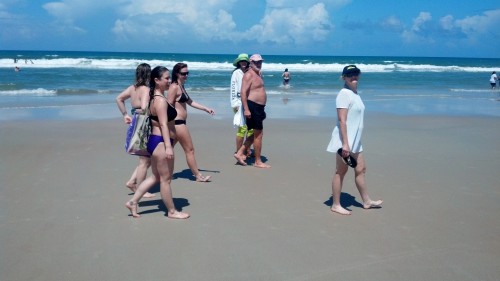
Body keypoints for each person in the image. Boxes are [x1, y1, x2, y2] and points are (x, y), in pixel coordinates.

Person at [125, 66, 189, 219]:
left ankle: (133, 202)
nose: (169, 80)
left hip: (155, 142)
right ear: (156, 80)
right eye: (166, 78)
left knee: (155, 177)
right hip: (160, 143)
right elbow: (163, 125)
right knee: (166, 180)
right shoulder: (160, 101)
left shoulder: (154, 98)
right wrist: (168, 147)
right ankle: (172, 211)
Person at [326, 65, 382, 215]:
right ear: (343, 77)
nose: (353, 77)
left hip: (355, 141)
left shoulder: (354, 93)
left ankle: (367, 201)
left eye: (356, 74)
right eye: (350, 75)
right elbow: (342, 120)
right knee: (341, 172)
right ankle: (336, 204)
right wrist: (345, 144)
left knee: (360, 170)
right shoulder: (344, 94)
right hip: (345, 142)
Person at [167, 63, 215, 182]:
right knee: (190, 150)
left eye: (187, 73)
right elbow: (167, 105)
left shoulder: (181, 86)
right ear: (177, 73)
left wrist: (206, 109)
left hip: (179, 123)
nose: (186, 75)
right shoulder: (174, 87)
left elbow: (190, 102)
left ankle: (163, 174)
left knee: (168, 150)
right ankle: (198, 176)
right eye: (183, 73)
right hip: (177, 123)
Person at [115, 63, 155, 198]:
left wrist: (125, 114)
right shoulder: (146, 89)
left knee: (145, 159)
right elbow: (144, 107)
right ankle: (140, 189)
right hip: (143, 123)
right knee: (145, 160)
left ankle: (132, 182)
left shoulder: (132, 88)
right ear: (149, 75)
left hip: (135, 120)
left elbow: (119, 99)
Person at [233, 54, 271, 168]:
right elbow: (243, 92)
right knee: (258, 135)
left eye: (260, 62)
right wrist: (246, 109)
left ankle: (240, 153)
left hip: (259, 107)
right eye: (256, 62)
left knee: (256, 133)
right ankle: (258, 161)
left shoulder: (258, 73)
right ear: (251, 62)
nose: (259, 64)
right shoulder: (248, 74)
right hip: (252, 106)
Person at [230, 53, 254, 157]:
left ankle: (247, 149)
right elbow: (233, 89)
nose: (243, 62)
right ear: (238, 62)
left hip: (251, 102)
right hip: (239, 103)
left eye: (245, 60)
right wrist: (235, 103)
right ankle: (239, 151)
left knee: (251, 128)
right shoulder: (236, 73)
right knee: (242, 128)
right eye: (241, 61)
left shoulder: (251, 72)